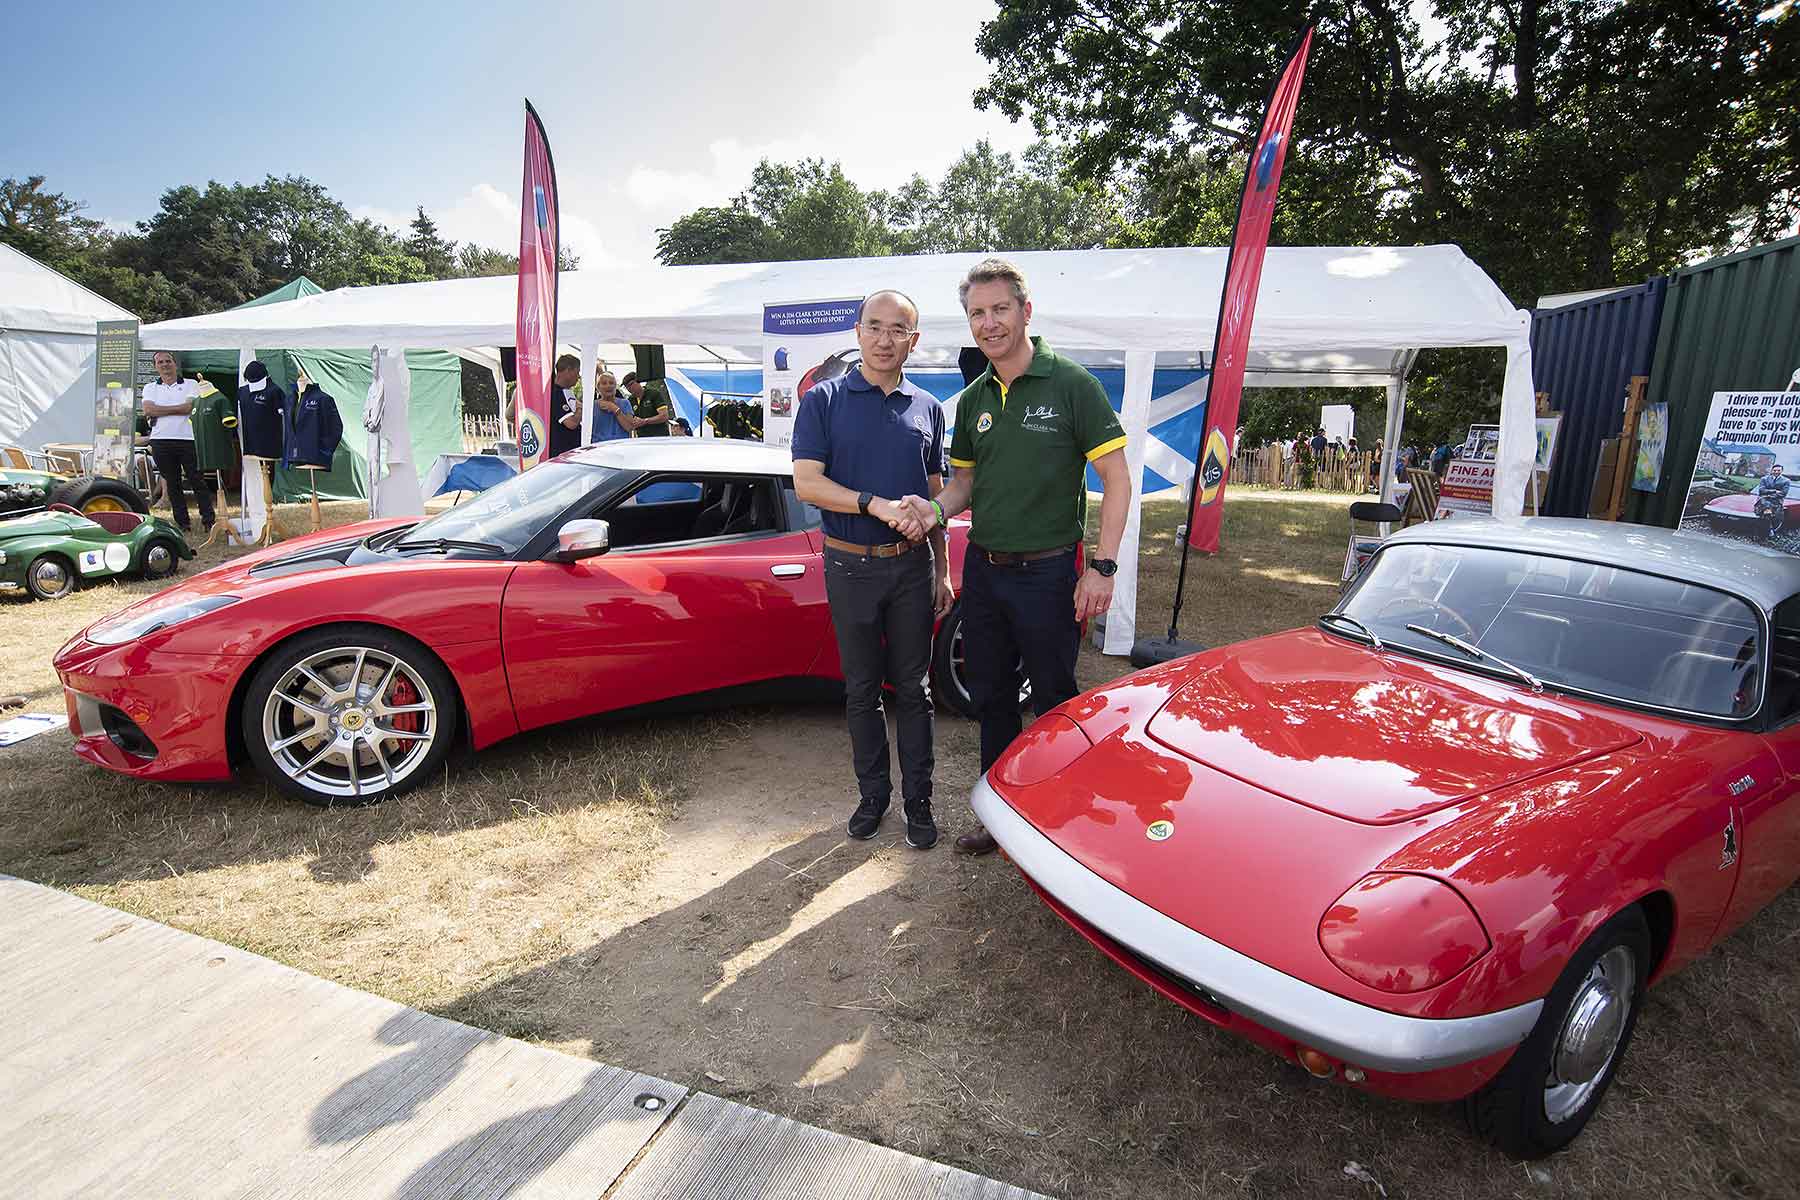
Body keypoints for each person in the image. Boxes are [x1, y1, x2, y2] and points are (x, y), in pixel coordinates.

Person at [908, 258, 1129, 857]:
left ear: (1025, 311)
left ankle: (1058, 817)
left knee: (1055, 696)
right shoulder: (972, 400)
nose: (989, 322)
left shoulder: (1072, 384)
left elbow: (1116, 478)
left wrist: (1102, 567)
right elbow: (961, 489)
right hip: (986, 569)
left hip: (1050, 573)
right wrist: (929, 511)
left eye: (999, 309)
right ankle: (999, 813)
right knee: (992, 695)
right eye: (977, 313)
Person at [792, 289, 950, 850]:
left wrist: (943, 570)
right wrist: (873, 504)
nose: (886, 340)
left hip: (911, 569)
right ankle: (873, 797)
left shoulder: (928, 408)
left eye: (898, 330)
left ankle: (919, 802)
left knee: (914, 690)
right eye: (875, 327)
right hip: (850, 566)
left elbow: (936, 500)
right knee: (861, 690)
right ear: (858, 332)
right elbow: (807, 483)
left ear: (915, 339)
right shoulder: (824, 400)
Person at [141, 350, 215, 533]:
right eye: (160, 362)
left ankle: (208, 520)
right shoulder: (150, 387)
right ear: (155, 366)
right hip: (160, 441)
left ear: (175, 364)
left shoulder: (191, 384)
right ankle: (183, 523)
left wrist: (162, 410)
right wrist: (178, 409)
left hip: (187, 439)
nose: (165, 364)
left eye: (168, 361)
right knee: (172, 484)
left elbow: (191, 407)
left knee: (197, 480)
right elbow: (148, 410)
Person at [546, 355, 585, 458]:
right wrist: (580, 408)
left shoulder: (567, 392)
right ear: (568, 370)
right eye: (577, 372)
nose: (578, 376)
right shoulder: (555, 394)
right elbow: (571, 423)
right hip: (561, 454)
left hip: (571, 452)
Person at [590, 370, 639, 442]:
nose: (608, 386)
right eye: (604, 383)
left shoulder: (625, 403)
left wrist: (614, 409)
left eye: (611, 383)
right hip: (599, 446)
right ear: (598, 388)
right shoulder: (592, 405)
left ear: (615, 387)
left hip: (620, 445)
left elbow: (629, 427)